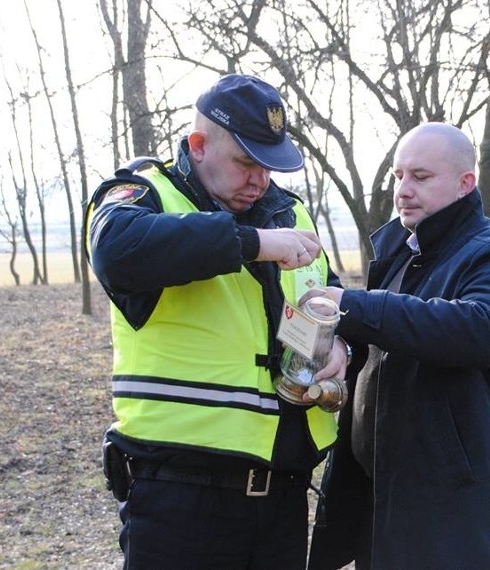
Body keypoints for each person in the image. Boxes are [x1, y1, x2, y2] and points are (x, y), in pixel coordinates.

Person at [85, 73, 350, 569]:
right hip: (181, 500)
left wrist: (336, 347)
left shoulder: (289, 213)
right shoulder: (145, 194)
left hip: (282, 498)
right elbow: (116, 251)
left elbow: (325, 300)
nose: (261, 180)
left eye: (271, 166)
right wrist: (251, 243)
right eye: (247, 162)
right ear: (199, 145)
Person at [305, 122, 490, 569]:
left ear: (464, 183)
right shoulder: (402, 253)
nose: (404, 190)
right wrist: (345, 350)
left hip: (459, 523)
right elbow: (393, 350)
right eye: (398, 176)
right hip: (385, 512)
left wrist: (354, 306)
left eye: (421, 176)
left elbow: (480, 330)